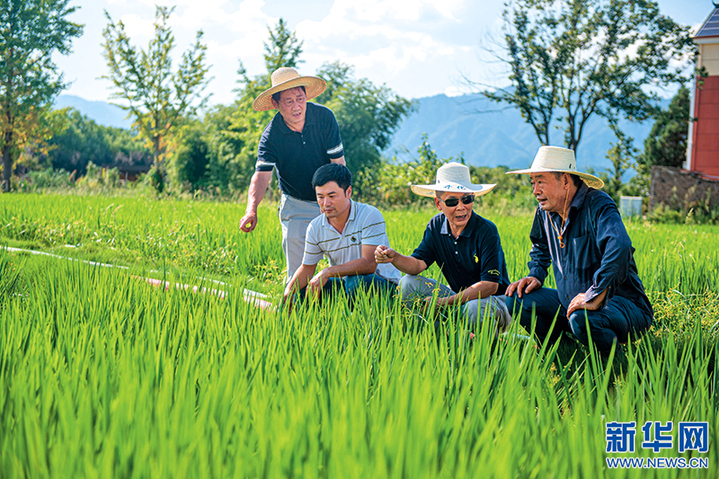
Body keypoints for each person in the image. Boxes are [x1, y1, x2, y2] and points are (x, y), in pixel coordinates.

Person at [505, 145, 653, 356]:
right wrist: (536, 274)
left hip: (622, 306)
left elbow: (619, 245)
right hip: (571, 304)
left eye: (540, 182)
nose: (535, 191)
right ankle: (560, 352)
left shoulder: (599, 205)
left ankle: (617, 368)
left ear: (565, 180)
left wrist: (594, 294)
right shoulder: (545, 211)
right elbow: (540, 245)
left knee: (582, 319)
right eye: (533, 183)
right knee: (516, 299)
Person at [375, 162, 512, 331]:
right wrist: (394, 257)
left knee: (473, 308)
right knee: (407, 283)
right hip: (458, 298)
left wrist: (444, 303)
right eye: (452, 201)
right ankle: (432, 341)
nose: (461, 207)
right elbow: (417, 264)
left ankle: (485, 347)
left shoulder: (486, 231)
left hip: (495, 302)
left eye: (467, 199)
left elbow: (490, 285)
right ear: (438, 204)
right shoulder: (436, 226)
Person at [240, 67, 345, 282]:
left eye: (300, 98)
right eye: (289, 101)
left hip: (331, 198)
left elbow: (339, 164)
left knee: (345, 262)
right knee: (298, 272)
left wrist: (344, 203)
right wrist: (252, 210)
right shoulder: (271, 137)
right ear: (276, 104)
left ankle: (339, 306)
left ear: (306, 96)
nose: (297, 106)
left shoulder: (324, 118)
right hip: (297, 205)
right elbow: (261, 176)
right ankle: (295, 309)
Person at [283, 163, 400, 306]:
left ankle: (366, 320)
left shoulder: (369, 215)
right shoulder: (315, 227)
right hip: (346, 286)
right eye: (320, 197)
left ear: (348, 192)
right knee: (304, 290)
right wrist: (289, 291)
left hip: (382, 286)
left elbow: (369, 264)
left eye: (332, 196)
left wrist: (327, 272)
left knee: (356, 281)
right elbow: (307, 267)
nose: (326, 203)